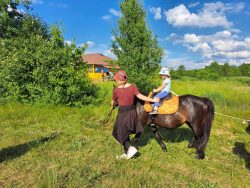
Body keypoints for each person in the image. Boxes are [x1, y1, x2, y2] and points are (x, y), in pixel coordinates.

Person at [111, 70, 159, 159]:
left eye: (116, 80)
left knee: (115, 133)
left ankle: (130, 148)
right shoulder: (133, 86)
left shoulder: (116, 90)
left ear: (119, 80)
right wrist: (153, 100)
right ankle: (126, 153)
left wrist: (112, 106)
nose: (116, 81)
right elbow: (140, 96)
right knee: (125, 134)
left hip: (122, 114)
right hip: (132, 113)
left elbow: (113, 102)